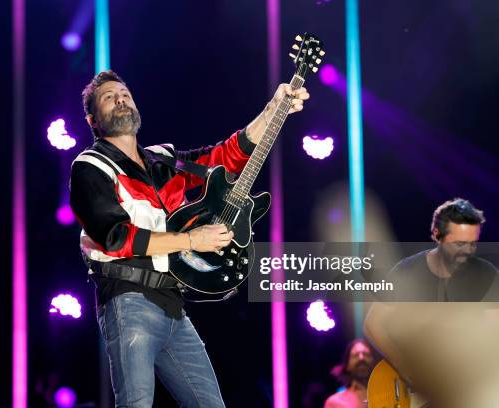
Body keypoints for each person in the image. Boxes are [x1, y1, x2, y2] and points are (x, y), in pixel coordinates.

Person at [69, 70, 310, 407]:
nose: (121, 99)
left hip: (174, 306)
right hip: (128, 301)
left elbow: (224, 158)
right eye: (109, 97)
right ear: (93, 119)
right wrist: (191, 240)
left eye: (125, 93)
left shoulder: (162, 159)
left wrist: (273, 109)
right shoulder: (90, 166)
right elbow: (116, 237)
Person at [364, 198, 499, 407]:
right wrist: (405, 369)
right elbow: (373, 323)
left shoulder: (486, 274)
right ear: (437, 235)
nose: (468, 251)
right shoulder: (407, 271)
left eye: (473, 243)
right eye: (459, 244)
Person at [324, 339, 377, 408]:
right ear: (347, 366)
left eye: (366, 354)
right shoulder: (334, 402)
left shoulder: (388, 395)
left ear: (374, 363)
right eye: (355, 355)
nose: (361, 358)